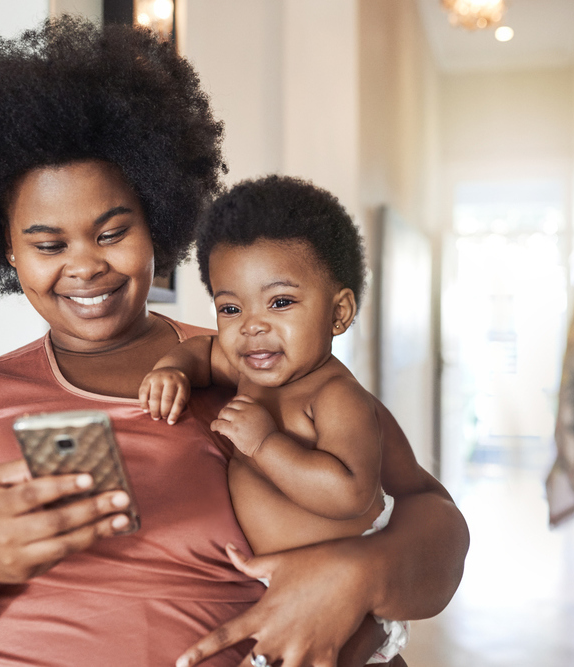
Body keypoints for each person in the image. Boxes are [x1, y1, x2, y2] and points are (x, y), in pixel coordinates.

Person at [0, 17, 469, 667]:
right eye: (49, 243)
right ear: (9, 250)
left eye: (111, 232)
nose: (85, 266)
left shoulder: (254, 364)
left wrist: (354, 574)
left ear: (158, 225)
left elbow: (436, 525)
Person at [139, 175, 409, 665]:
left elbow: (350, 492)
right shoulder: (252, 370)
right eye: (230, 307)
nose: (251, 325)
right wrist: (172, 369)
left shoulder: (335, 396)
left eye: (280, 302)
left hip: (342, 607)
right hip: (283, 593)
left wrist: (264, 445)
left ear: (339, 313)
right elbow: (203, 352)